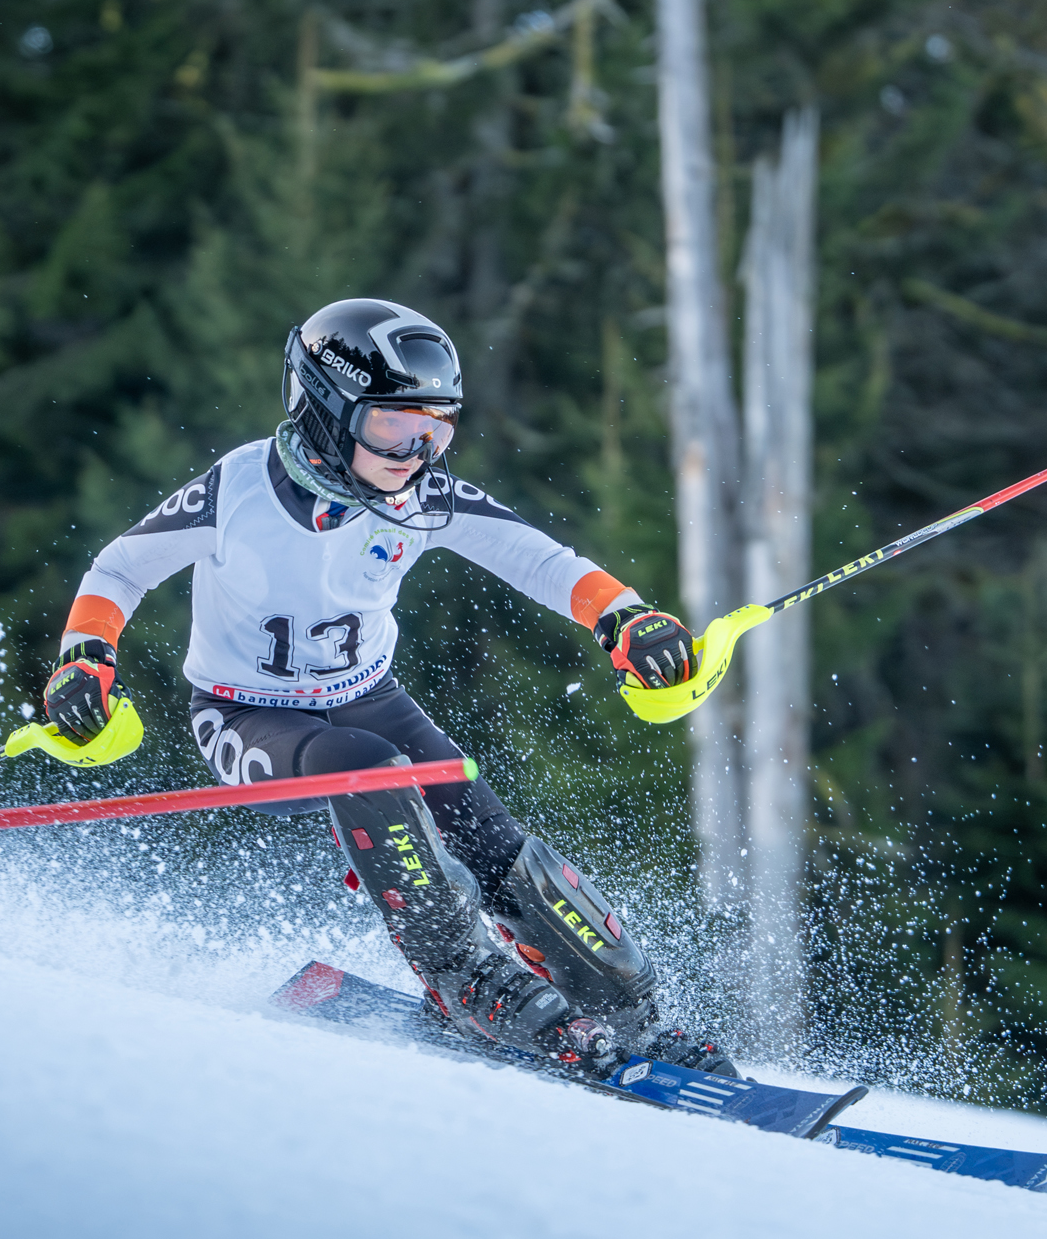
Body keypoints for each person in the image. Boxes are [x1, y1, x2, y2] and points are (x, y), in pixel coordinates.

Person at [43, 298, 734, 1076]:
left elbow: (536, 558)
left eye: (436, 430)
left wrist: (625, 618)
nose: (416, 453)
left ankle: (632, 1011)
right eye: (394, 427)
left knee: (485, 830)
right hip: (245, 716)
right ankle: (463, 978)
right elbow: (120, 568)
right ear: (324, 408)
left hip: (369, 695)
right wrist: (85, 658)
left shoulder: (420, 499)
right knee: (367, 767)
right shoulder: (237, 491)